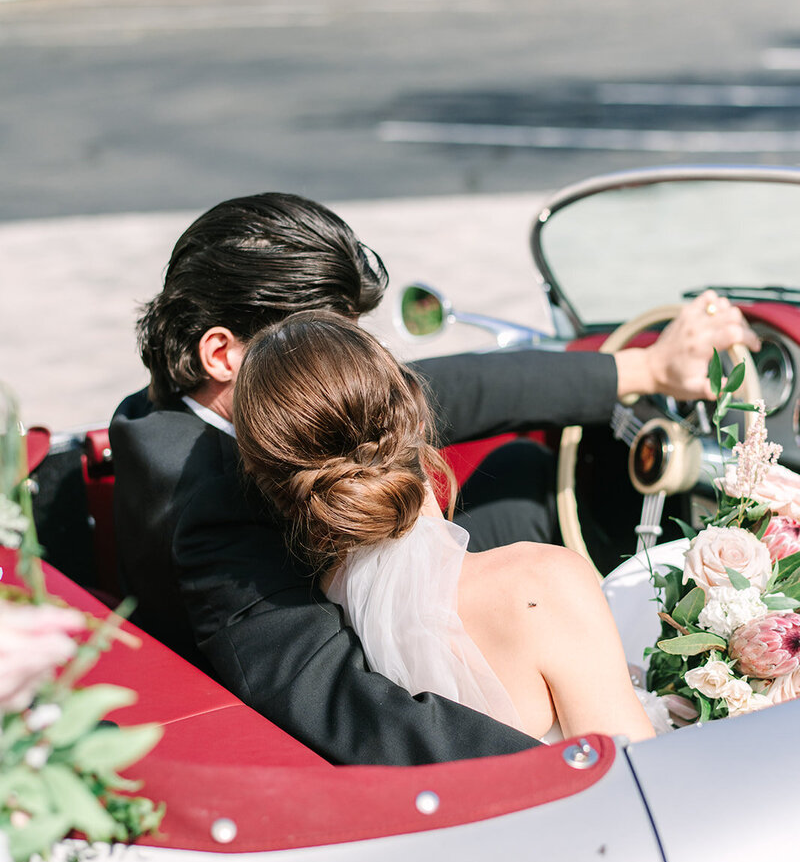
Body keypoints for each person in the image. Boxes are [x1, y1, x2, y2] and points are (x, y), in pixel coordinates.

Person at [110, 191, 757, 764]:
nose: (366, 369)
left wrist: (641, 372)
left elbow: (440, 388)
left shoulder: (188, 411)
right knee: (553, 588)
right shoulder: (206, 498)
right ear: (221, 352)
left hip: (352, 619)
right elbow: (340, 706)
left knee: (521, 476)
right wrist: (558, 765)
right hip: (342, 719)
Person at [233, 311, 655, 743]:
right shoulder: (543, 585)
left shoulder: (316, 637)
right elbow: (644, 777)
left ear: (267, 481)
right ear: (418, 417)